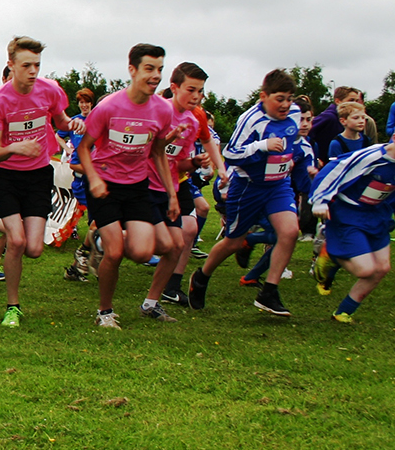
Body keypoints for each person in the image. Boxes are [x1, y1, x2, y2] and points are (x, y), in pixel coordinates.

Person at [189, 69, 308, 317]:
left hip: (278, 185)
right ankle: (201, 276)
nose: (286, 105)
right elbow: (231, 154)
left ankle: (269, 291)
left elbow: (294, 141)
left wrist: (295, 159)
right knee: (233, 241)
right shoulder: (251, 119)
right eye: (280, 99)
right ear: (264, 96)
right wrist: (262, 146)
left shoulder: (295, 113)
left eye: (289, 98)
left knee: (290, 231)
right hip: (249, 187)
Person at [78, 44, 178, 329]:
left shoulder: (162, 109)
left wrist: (171, 194)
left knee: (143, 253)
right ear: (132, 70)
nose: (155, 75)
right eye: (149, 69)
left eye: (159, 69)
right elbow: (84, 148)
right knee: (116, 252)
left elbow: (158, 152)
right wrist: (94, 178)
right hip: (104, 183)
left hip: (136, 185)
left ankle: (98, 239)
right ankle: (104, 312)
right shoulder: (109, 107)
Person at [0, 37, 75, 327]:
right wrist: (17, 147)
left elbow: (63, 121)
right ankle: (13, 307)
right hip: (5, 175)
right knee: (17, 241)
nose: (33, 71)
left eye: (37, 65)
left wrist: (76, 124)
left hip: (37, 175)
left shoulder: (50, 90)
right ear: (11, 65)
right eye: (26, 65)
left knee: (34, 248)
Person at [309, 114, 395, 323]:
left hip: (376, 215)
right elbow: (335, 170)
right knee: (366, 269)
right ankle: (329, 256)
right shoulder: (372, 157)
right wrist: (320, 200)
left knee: (382, 268)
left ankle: (344, 311)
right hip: (348, 214)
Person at [143, 63, 209, 309]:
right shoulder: (156, 111)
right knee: (146, 247)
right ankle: (102, 240)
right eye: (191, 89)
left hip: (170, 188)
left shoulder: (192, 123)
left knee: (178, 244)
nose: (196, 96)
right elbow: (145, 151)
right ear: (174, 87)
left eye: (200, 91)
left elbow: (177, 162)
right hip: (142, 185)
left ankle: (153, 301)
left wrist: (193, 162)